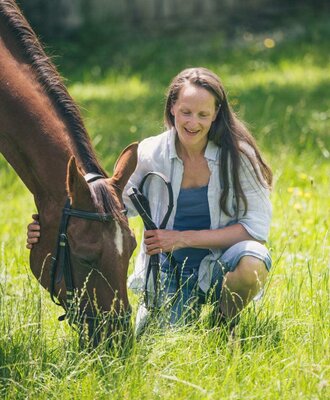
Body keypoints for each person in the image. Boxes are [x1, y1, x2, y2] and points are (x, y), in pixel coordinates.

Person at [27, 67, 272, 334]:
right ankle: (175, 310)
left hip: (221, 262)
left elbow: (254, 230)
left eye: (203, 114)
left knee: (253, 262)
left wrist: (182, 239)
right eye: (186, 112)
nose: (193, 122)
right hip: (167, 270)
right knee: (164, 347)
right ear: (172, 109)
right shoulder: (150, 154)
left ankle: (223, 325)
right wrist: (52, 229)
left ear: (215, 115)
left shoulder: (238, 157)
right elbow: (111, 210)